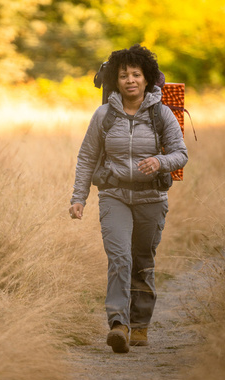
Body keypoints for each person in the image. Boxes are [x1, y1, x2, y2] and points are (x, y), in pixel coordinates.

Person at [69, 44, 188, 353]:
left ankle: (140, 326)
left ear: (147, 79)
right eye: (123, 75)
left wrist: (160, 162)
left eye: (136, 74)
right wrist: (79, 197)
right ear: (115, 80)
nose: (130, 80)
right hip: (114, 196)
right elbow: (86, 158)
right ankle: (118, 325)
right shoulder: (104, 115)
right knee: (120, 258)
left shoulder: (162, 115)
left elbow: (181, 153)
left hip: (151, 198)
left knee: (143, 263)